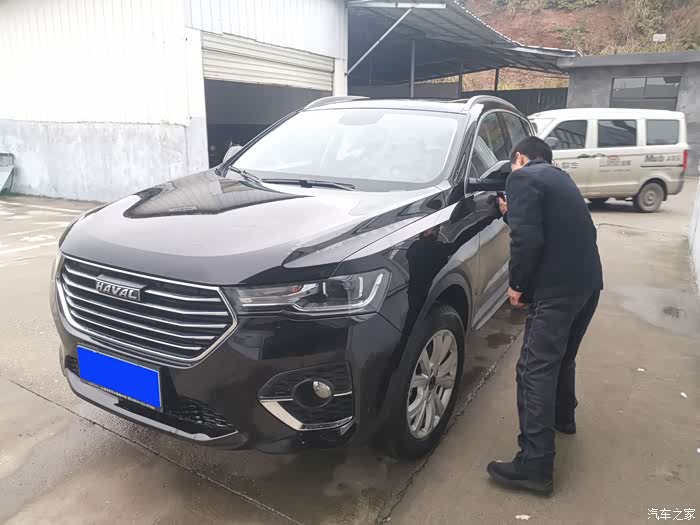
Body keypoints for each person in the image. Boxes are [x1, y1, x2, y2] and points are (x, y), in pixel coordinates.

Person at [487, 136, 603, 495]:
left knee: (533, 370)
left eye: (513, 163)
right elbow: (559, 227)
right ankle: (563, 417)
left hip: (556, 292)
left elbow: (527, 239)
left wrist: (518, 285)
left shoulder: (521, 177)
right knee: (562, 357)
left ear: (520, 157)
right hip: (588, 285)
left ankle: (534, 466)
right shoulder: (560, 178)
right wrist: (512, 212)